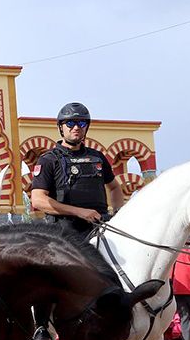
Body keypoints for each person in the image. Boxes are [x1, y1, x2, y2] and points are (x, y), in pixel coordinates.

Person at [29, 102, 125, 238]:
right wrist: (79, 212)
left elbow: (114, 187)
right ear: (61, 127)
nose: (76, 128)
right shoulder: (49, 160)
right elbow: (38, 200)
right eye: (70, 124)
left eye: (81, 124)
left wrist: (118, 214)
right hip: (64, 234)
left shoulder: (96, 157)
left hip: (99, 228)